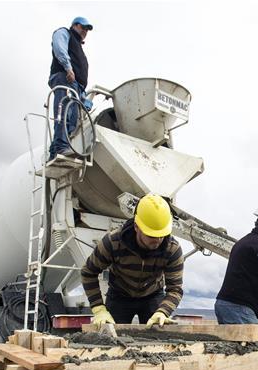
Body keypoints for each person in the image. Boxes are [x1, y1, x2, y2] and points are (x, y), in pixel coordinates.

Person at [81, 194, 184, 326]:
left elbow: (175, 288)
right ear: (137, 227)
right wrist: (98, 309)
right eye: (151, 234)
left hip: (152, 295)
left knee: (157, 337)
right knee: (110, 338)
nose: (157, 240)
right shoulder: (113, 243)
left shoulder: (172, 249)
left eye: (161, 235)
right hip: (119, 295)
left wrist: (163, 311)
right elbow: (88, 272)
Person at [48, 16, 93, 161]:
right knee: (63, 113)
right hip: (65, 78)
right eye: (83, 27)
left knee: (73, 121)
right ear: (74, 25)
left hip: (76, 87)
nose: (85, 31)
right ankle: (60, 147)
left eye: (87, 29)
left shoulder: (79, 48)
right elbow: (59, 48)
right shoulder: (64, 33)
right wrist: (68, 68)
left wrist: (83, 95)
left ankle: (56, 150)